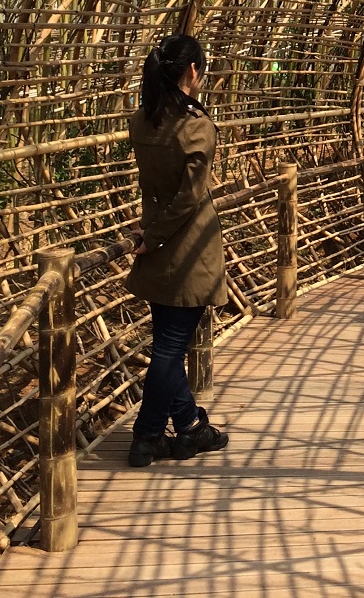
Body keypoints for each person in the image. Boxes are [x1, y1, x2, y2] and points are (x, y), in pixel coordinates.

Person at [124, 34, 230, 468]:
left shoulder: (142, 121)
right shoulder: (195, 126)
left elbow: (160, 189)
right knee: (170, 348)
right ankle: (146, 435)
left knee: (168, 341)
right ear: (192, 72)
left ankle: (189, 427)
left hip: (157, 245)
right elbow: (189, 197)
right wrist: (158, 235)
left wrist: (151, 234)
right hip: (187, 250)